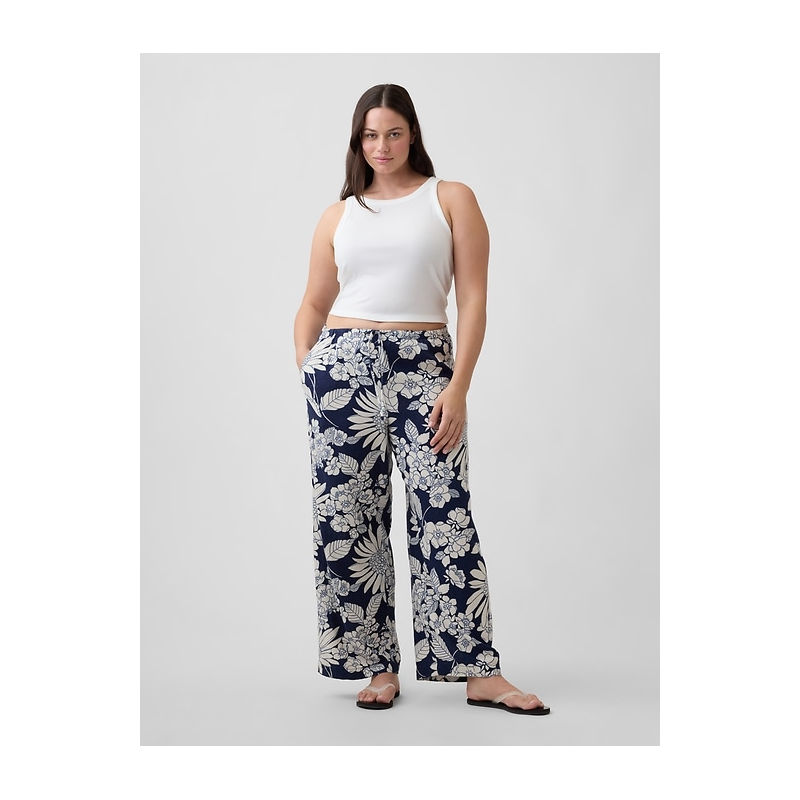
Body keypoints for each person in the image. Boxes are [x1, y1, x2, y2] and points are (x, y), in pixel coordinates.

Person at [293, 83, 549, 715]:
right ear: (357, 140)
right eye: (370, 135)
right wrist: (310, 368)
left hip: (425, 364)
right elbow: (314, 302)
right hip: (342, 369)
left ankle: (478, 671)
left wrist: (457, 386)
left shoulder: (450, 198)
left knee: (444, 512)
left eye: (394, 133)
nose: (381, 146)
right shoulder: (339, 214)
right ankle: (377, 666)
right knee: (348, 517)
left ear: (413, 135)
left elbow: (474, 300)